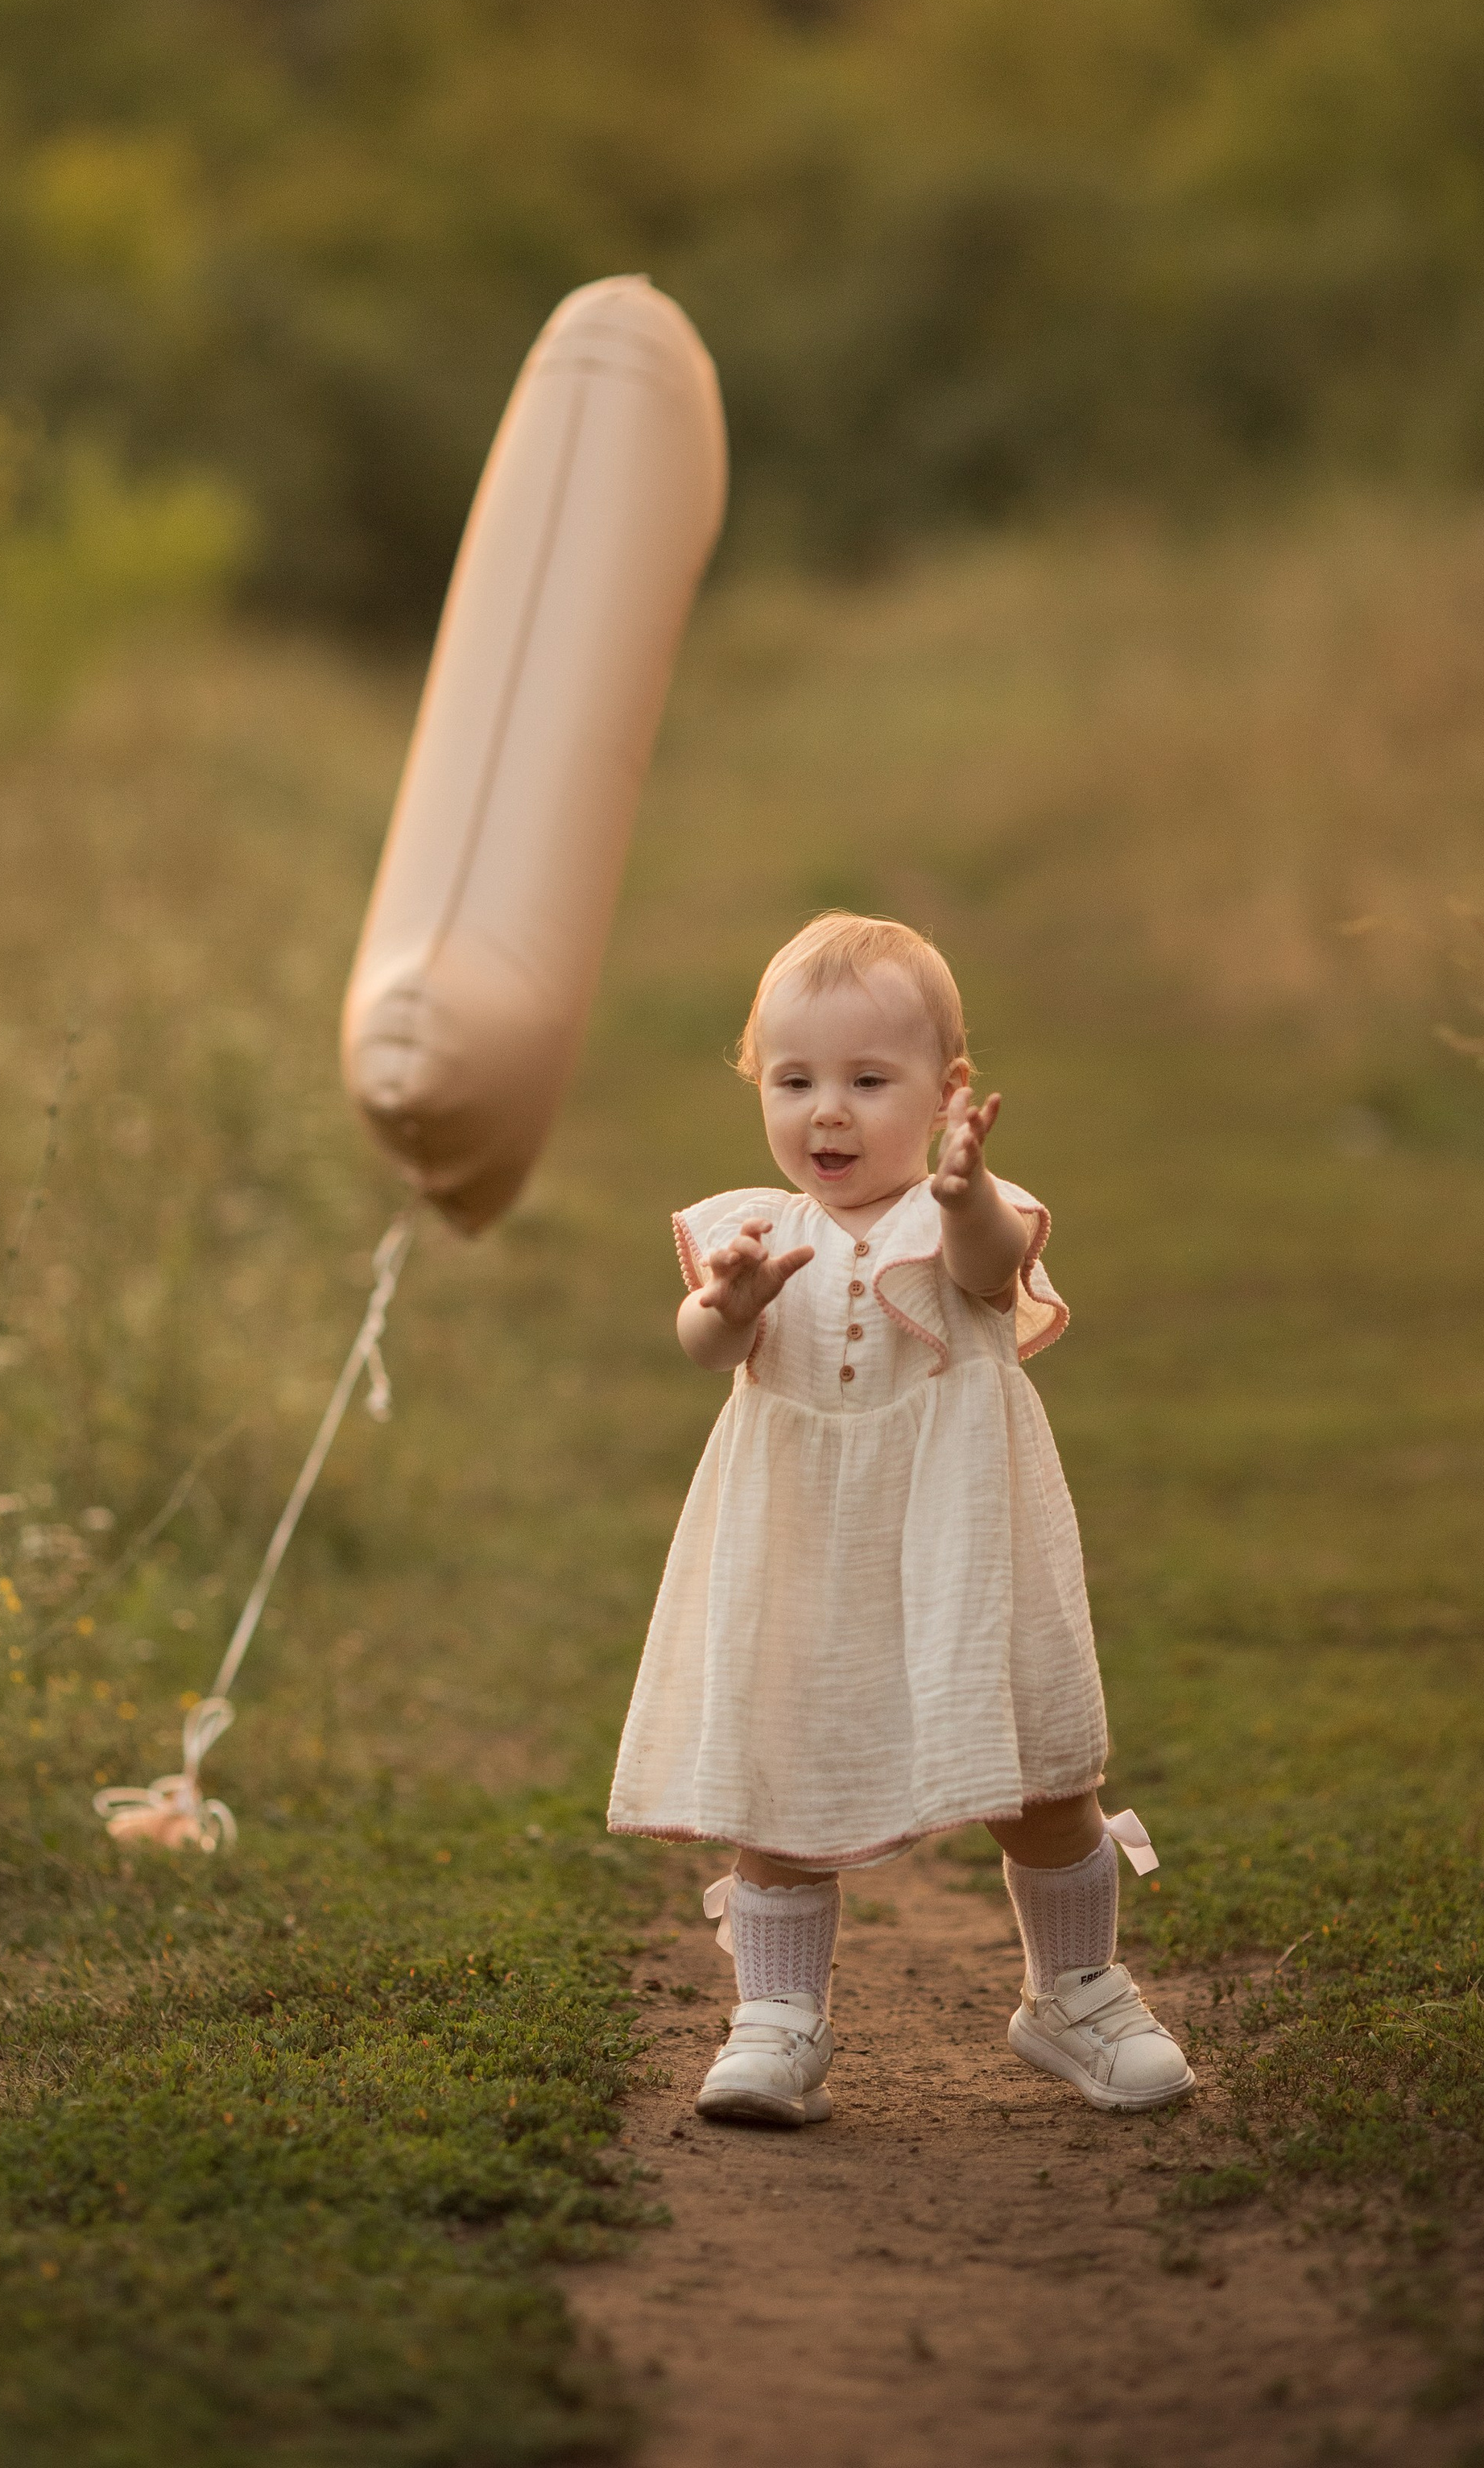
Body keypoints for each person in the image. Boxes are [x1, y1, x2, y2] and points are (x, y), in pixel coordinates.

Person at [608, 912, 1193, 2128]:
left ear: (945, 1093)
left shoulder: (963, 1208)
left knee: (1039, 1774)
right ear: (758, 1083)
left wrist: (966, 1189)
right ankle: (774, 2019)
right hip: (799, 1543)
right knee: (781, 1771)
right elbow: (705, 1346)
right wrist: (724, 1305)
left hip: (965, 1539)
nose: (829, 1111)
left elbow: (987, 1274)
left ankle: (1073, 1992)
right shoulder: (754, 1230)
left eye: (869, 1082)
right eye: (795, 1080)